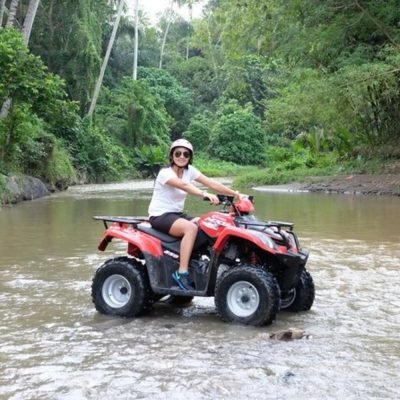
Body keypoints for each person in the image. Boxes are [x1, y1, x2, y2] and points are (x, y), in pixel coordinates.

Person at [148, 139, 243, 290]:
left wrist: (236, 194)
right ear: (172, 155)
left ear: (190, 157)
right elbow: (184, 185)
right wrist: (204, 194)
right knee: (190, 229)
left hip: (177, 214)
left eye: (185, 154)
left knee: (207, 223)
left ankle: (202, 263)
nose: (181, 157)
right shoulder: (165, 173)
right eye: (178, 153)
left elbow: (212, 183)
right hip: (160, 215)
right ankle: (181, 273)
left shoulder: (189, 171)